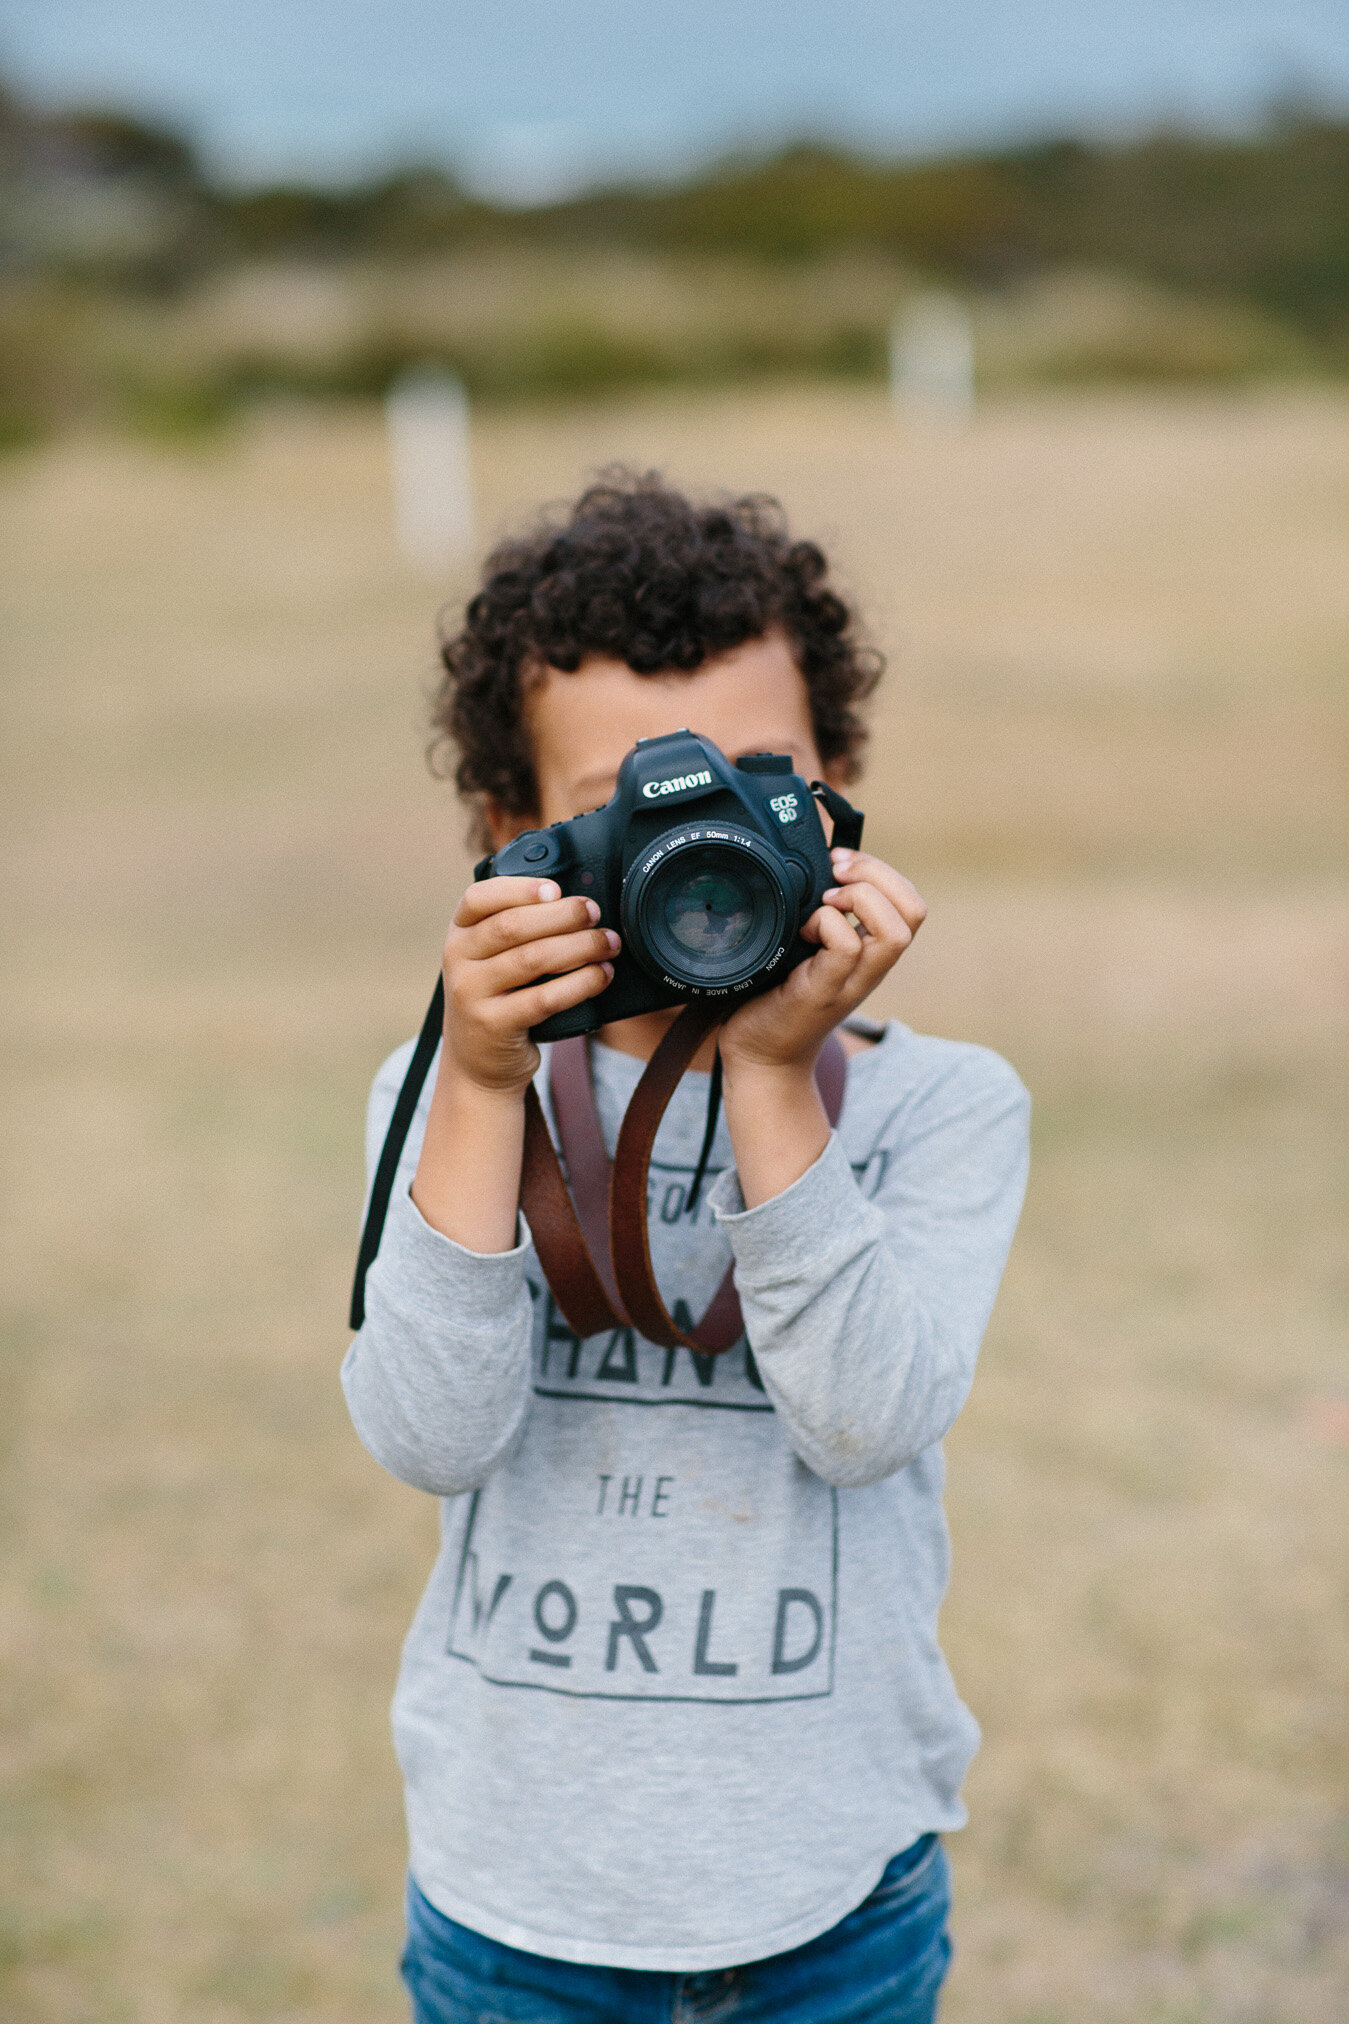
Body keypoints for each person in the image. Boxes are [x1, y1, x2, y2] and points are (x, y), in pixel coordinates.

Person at [342, 471, 1030, 2023]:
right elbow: (431, 1438)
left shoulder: (942, 1104)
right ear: (509, 834)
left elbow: (863, 1425)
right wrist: (474, 1079)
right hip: (514, 1895)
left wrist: (776, 1073)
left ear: (837, 787)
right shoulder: (448, 1091)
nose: (696, 838)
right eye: (624, 803)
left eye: (747, 783)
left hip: (829, 1891)